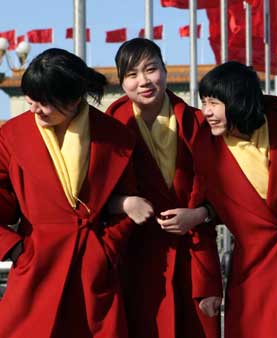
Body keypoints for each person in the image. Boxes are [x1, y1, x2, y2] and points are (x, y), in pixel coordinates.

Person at [0, 48, 138, 337]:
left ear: (74, 100)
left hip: (92, 267)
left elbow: (128, 204)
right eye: (30, 101)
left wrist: (105, 250)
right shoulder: (11, 135)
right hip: (36, 267)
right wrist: (15, 248)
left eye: (44, 103)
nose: (34, 110)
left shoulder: (115, 137)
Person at [193, 61, 277, 338]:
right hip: (252, 273)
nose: (206, 112)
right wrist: (208, 286)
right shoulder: (204, 149)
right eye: (204, 103)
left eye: (214, 103)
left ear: (238, 100)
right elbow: (201, 227)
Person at [105, 38, 222, 338]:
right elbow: (90, 194)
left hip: (193, 253)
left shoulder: (197, 122)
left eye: (151, 69)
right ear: (121, 82)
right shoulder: (109, 128)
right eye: (131, 74)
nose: (143, 81)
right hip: (135, 256)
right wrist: (124, 203)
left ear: (165, 71)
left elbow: (229, 193)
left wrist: (198, 214)